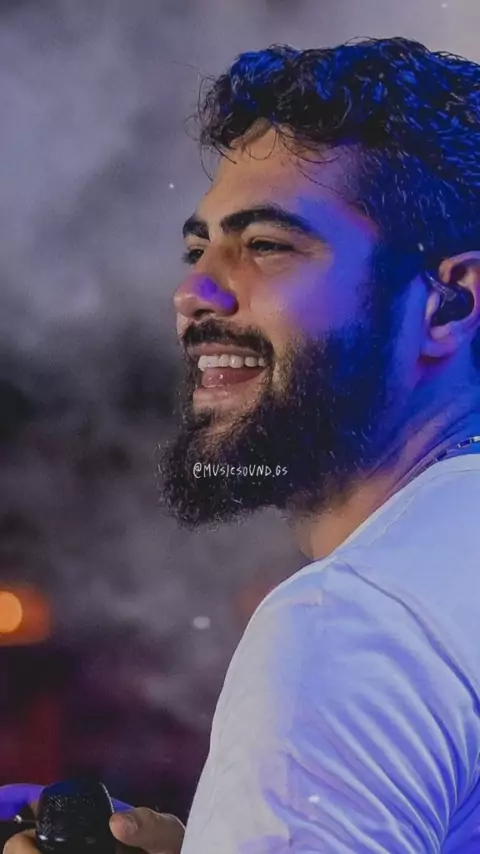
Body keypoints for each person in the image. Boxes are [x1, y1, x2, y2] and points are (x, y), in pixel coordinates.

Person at [4, 33, 480, 852]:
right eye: (198, 249)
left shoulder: (346, 626)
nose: (193, 291)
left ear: (448, 303)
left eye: (264, 245)